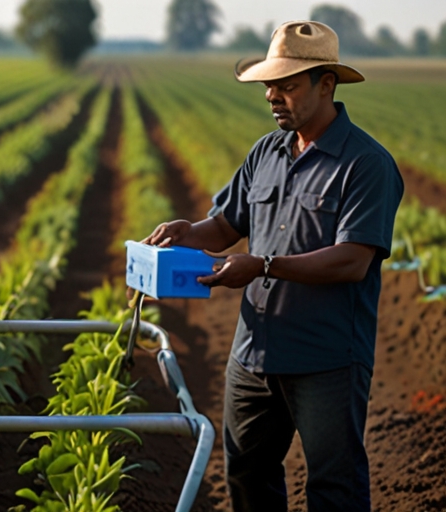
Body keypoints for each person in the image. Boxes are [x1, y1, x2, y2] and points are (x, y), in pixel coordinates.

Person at [142, 21, 404, 512]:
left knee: (334, 486)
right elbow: (224, 227)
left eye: (287, 85)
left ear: (326, 84)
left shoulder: (365, 164)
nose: (272, 96)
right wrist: (186, 231)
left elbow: (352, 261)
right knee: (247, 475)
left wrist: (262, 265)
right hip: (254, 355)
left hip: (325, 358)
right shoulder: (266, 152)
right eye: (269, 85)